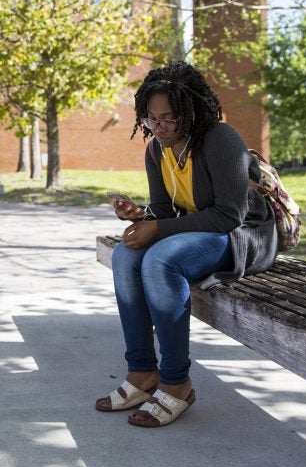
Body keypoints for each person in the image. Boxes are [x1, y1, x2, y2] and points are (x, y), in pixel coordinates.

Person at [95, 61, 278, 427]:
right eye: (150, 119)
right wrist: (140, 215)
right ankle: (142, 372)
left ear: (190, 111)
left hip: (243, 237)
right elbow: (165, 211)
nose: (158, 128)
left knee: (160, 260)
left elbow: (230, 215)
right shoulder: (156, 151)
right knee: (125, 256)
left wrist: (158, 229)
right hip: (202, 234)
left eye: (168, 119)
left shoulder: (220, 139)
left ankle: (177, 382)